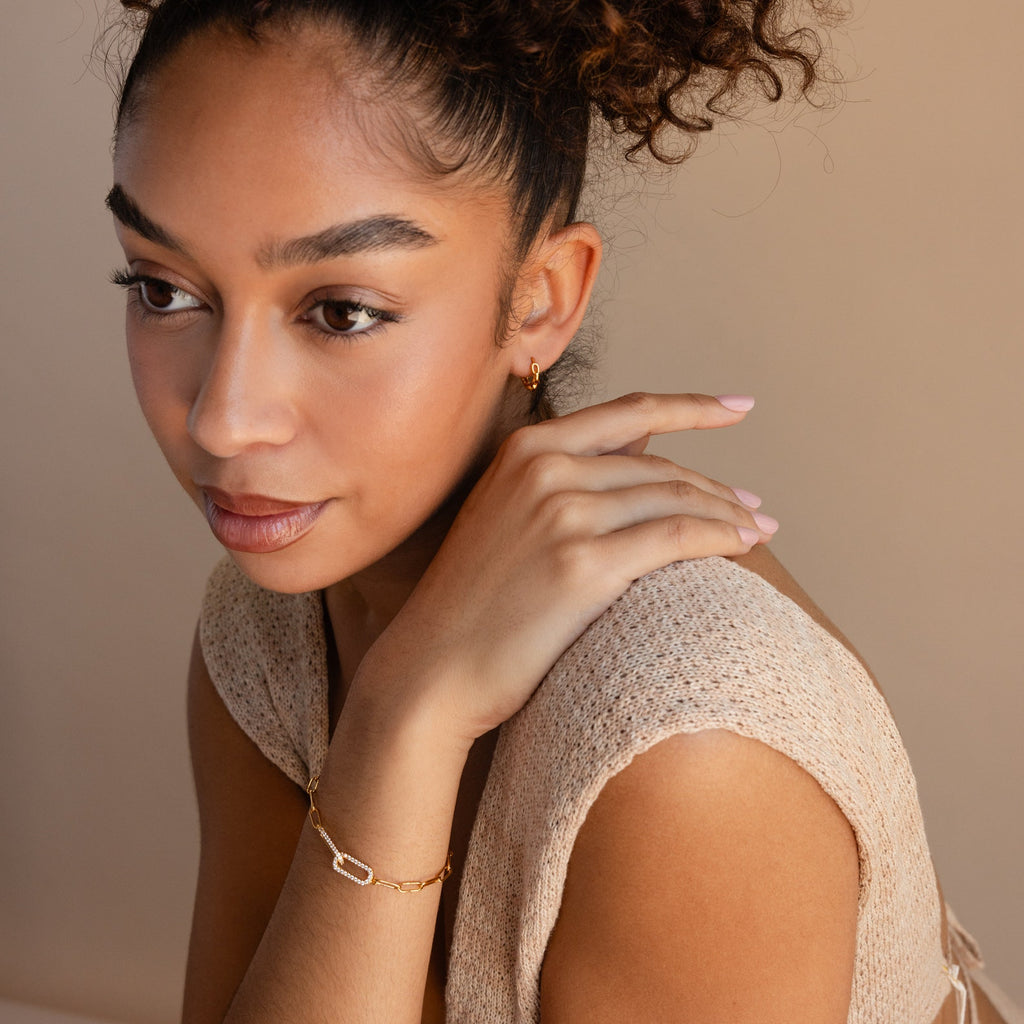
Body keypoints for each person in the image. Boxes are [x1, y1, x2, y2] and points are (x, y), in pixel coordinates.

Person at [104, 1, 1021, 1022]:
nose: (224, 420)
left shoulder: (687, 744)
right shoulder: (269, 626)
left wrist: (401, 716)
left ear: (539, 298)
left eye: (342, 312)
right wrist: (400, 722)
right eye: (161, 289)